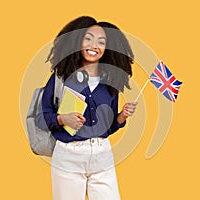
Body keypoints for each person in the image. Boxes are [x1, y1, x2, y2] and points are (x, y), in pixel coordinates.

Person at [42, 16, 137, 200]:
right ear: (77, 41)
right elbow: (43, 116)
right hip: (69, 155)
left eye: (101, 42)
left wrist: (121, 117)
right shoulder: (61, 78)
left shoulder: (110, 82)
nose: (95, 45)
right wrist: (63, 119)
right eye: (89, 38)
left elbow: (108, 127)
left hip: (102, 154)